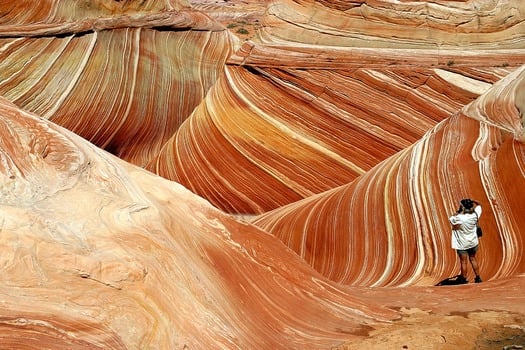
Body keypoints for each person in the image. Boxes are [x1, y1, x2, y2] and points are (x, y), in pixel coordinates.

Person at [448, 198, 482, 283]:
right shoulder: (475, 215)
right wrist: (473, 200)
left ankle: (463, 279)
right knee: (473, 259)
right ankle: (478, 277)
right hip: (473, 242)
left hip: (462, 244)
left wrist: (459, 212)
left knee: (463, 262)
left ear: (463, 207)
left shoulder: (459, 218)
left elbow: (451, 219)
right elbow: (479, 205)